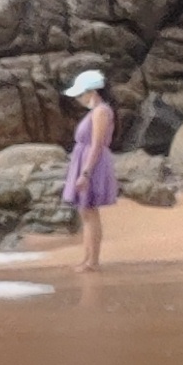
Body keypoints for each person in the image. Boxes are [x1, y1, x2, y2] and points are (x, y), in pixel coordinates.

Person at [64, 67, 120, 272]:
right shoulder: (96, 111)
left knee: (89, 212)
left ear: (92, 92)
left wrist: (85, 173)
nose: (78, 98)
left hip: (92, 163)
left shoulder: (101, 112)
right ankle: (87, 259)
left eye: (81, 94)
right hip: (86, 160)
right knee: (85, 212)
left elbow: (97, 144)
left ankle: (92, 261)